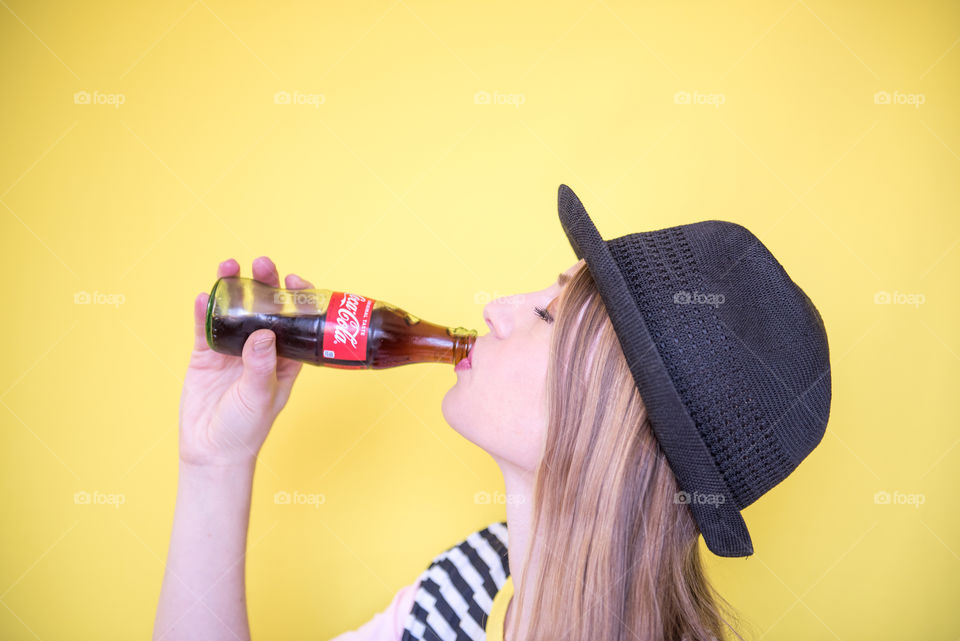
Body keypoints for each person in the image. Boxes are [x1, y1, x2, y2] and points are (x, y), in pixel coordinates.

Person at [153, 185, 832, 641]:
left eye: (546, 313)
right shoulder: (457, 591)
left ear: (614, 414)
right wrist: (214, 461)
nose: (495, 307)